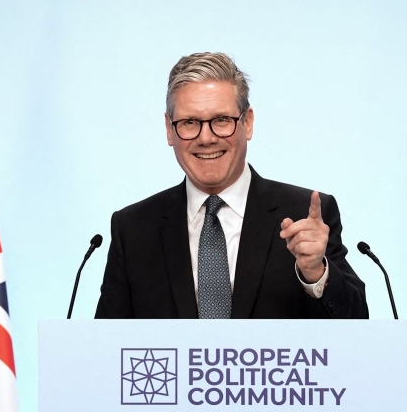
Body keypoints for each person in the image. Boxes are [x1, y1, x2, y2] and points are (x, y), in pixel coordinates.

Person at [95, 52, 368, 320]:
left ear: (247, 123)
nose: (206, 138)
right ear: (169, 129)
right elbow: (103, 348)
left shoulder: (303, 216)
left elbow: (356, 328)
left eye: (221, 121)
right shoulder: (133, 230)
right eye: (189, 122)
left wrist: (316, 273)